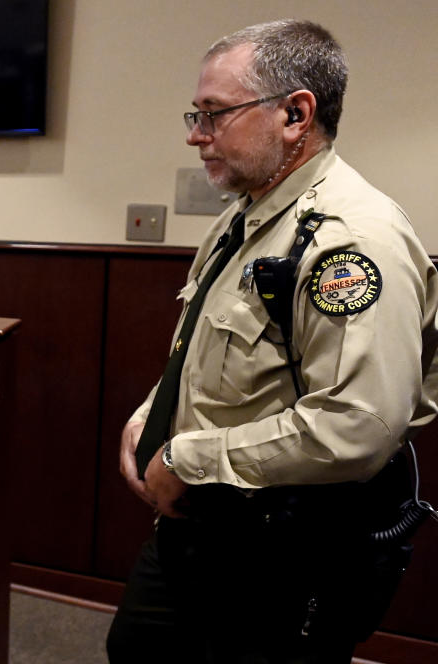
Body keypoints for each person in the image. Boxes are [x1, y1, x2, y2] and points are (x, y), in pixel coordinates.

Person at [107, 19, 438, 663]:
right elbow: (210, 349)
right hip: (200, 532)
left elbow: (357, 423)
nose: (194, 135)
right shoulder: (252, 217)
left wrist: (186, 458)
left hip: (283, 556)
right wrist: (155, 413)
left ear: (294, 114)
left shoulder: (351, 239)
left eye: (213, 114)